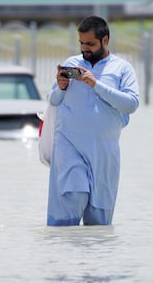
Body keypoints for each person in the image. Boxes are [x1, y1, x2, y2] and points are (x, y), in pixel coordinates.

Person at [46, 15, 139, 226]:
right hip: (70, 145)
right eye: (81, 43)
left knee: (99, 223)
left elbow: (131, 104)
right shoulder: (72, 64)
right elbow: (53, 100)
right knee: (73, 195)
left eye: (90, 43)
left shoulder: (122, 68)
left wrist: (95, 84)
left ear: (105, 40)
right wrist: (60, 86)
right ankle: (61, 256)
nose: (84, 48)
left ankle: (93, 260)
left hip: (104, 151)